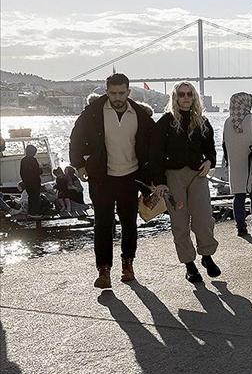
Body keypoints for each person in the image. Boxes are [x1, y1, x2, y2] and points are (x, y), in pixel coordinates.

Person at [69, 73, 155, 289]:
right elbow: (76, 138)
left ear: (128, 92)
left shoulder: (140, 114)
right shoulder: (93, 112)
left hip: (130, 176)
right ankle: (104, 271)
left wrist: (154, 177)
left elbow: (154, 143)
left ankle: (128, 264)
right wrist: (79, 166)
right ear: (106, 91)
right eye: (113, 93)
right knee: (103, 225)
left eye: (121, 93)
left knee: (129, 224)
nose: (117, 97)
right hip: (101, 177)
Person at [151, 82, 220, 284]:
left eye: (190, 94)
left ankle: (207, 256)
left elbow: (211, 150)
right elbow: (154, 155)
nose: (186, 97)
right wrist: (159, 182)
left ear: (194, 97)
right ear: (175, 97)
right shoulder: (164, 123)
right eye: (181, 94)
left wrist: (209, 161)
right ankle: (189, 264)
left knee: (204, 218)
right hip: (173, 176)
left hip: (197, 175)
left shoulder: (203, 122)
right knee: (180, 222)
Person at [222, 92, 252, 236]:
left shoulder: (228, 122)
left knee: (239, 197)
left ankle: (241, 228)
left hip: (235, 165)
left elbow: (224, 144)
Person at [19, 144, 42, 215]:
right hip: (35, 182)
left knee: (31, 197)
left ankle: (31, 212)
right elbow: (37, 171)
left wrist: (25, 181)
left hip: (27, 182)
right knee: (36, 197)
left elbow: (22, 172)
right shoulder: (33, 160)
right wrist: (41, 170)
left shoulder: (23, 160)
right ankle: (36, 212)